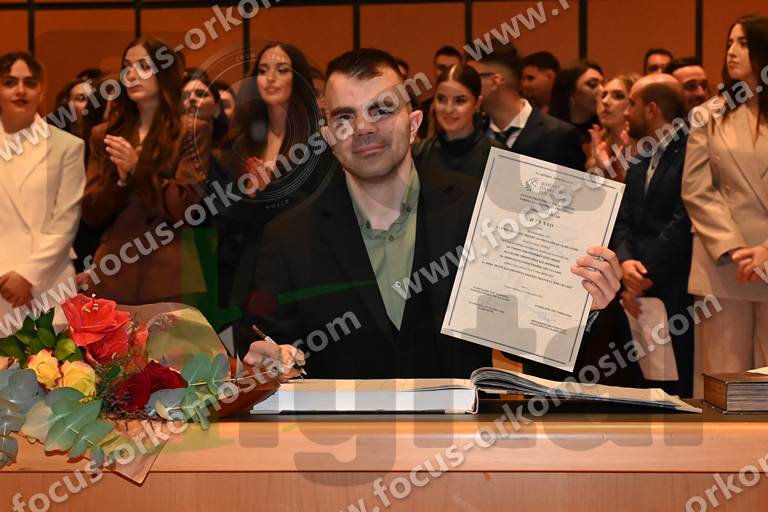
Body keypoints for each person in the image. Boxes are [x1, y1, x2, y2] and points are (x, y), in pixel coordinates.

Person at [235, 48, 622, 380]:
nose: (363, 127)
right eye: (345, 117)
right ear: (329, 137)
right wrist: (266, 362)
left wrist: (581, 311)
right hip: (342, 440)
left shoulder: (482, 211)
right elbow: (269, 347)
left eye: (382, 109)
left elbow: (535, 351)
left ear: (414, 124)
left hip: (462, 440)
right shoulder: (288, 237)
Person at [80, 37, 211, 304]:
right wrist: (120, 181)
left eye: (143, 66)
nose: (131, 75)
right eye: (127, 67)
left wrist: (137, 171)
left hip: (169, 270)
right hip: (114, 268)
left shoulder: (191, 131)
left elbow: (188, 206)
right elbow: (92, 212)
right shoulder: (104, 134)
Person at [682, 16, 768, 394]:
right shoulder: (708, 114)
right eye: (729, 42)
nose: (732, 51)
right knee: (723, 384)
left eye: (743, 43)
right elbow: (696, 190)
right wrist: (734, 248)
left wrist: (765, 249)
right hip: (723, 262)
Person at [214, 42, 331, 307]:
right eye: (263, 70)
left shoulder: (317, 139)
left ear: (298, 78)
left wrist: (271, 188)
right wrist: (250, 192)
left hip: (303, 261)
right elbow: (228, 215)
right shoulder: (244, 142)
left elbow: (322, 205)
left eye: (282, 70)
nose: (270, 78)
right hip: (251, 262)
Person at [612, 74, 694, 397]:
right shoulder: (639, 156)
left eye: (631, 103)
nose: (625, 111)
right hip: (634, 289)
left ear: (651, 109)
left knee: (677, 391)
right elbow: (622, 219)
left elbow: (683, 221)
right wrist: (625, 262)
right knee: (639, 390)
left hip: (675, 290)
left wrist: (644, 273)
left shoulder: (692, 150)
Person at [0, 52, 85, 324]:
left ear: (41, 91)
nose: (20, 90)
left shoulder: (68, 146)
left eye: (30, 82)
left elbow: (66, 220)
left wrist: (28, 276)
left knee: (52, 351)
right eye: (10, 82)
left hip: (49, 281)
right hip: (1, 282)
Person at [469, 43, 585, 170]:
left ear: (495, 82)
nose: (465, 85)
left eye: (472, 78)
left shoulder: (559, 135)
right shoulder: (473, 131)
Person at [413, 64, 505, 177]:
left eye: (460, 101)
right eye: (441, 99)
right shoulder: (419, 152)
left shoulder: (499, 157)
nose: (448, 109)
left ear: (477, 103)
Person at [587, 73, 639, 182]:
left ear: (634, 104)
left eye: (618, 96)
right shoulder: (595, 147)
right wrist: (600, 168)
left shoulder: (647, 146)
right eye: (603, 95)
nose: (605, 101)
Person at [550, 60, 604, 146]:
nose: (602, 90)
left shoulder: (606, 130)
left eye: (603, 84)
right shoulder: (550, 132)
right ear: (570, 92)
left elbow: (619, 152)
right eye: (592, 84)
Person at [418, 46, 463, 139]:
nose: (446, 72)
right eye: (441, 68)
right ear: (434, 70)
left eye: (452, 68)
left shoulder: (469, 109)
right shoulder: (423, 109)